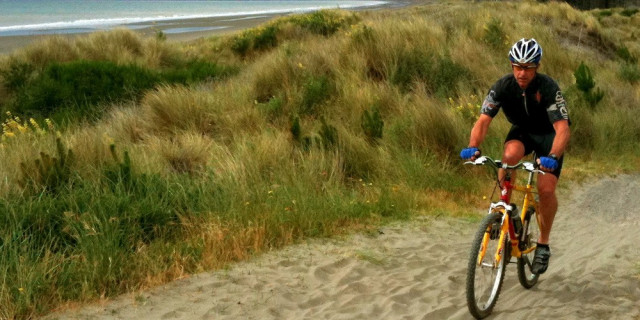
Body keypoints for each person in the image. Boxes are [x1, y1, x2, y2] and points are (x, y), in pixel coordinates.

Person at [460, 38, 570, 275]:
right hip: (522, 131)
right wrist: (472, 146)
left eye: (528, 68)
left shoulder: (548, 88)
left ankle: (543, 243)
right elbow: (483, 121)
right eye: (517, 67)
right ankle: (504, 209)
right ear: (511, 66)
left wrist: (552, 155)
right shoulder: (502, 87)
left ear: (536, 67)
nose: (522, 73)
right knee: (509, 156)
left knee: (546, 189)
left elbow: (563, 129)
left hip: (549, 136)